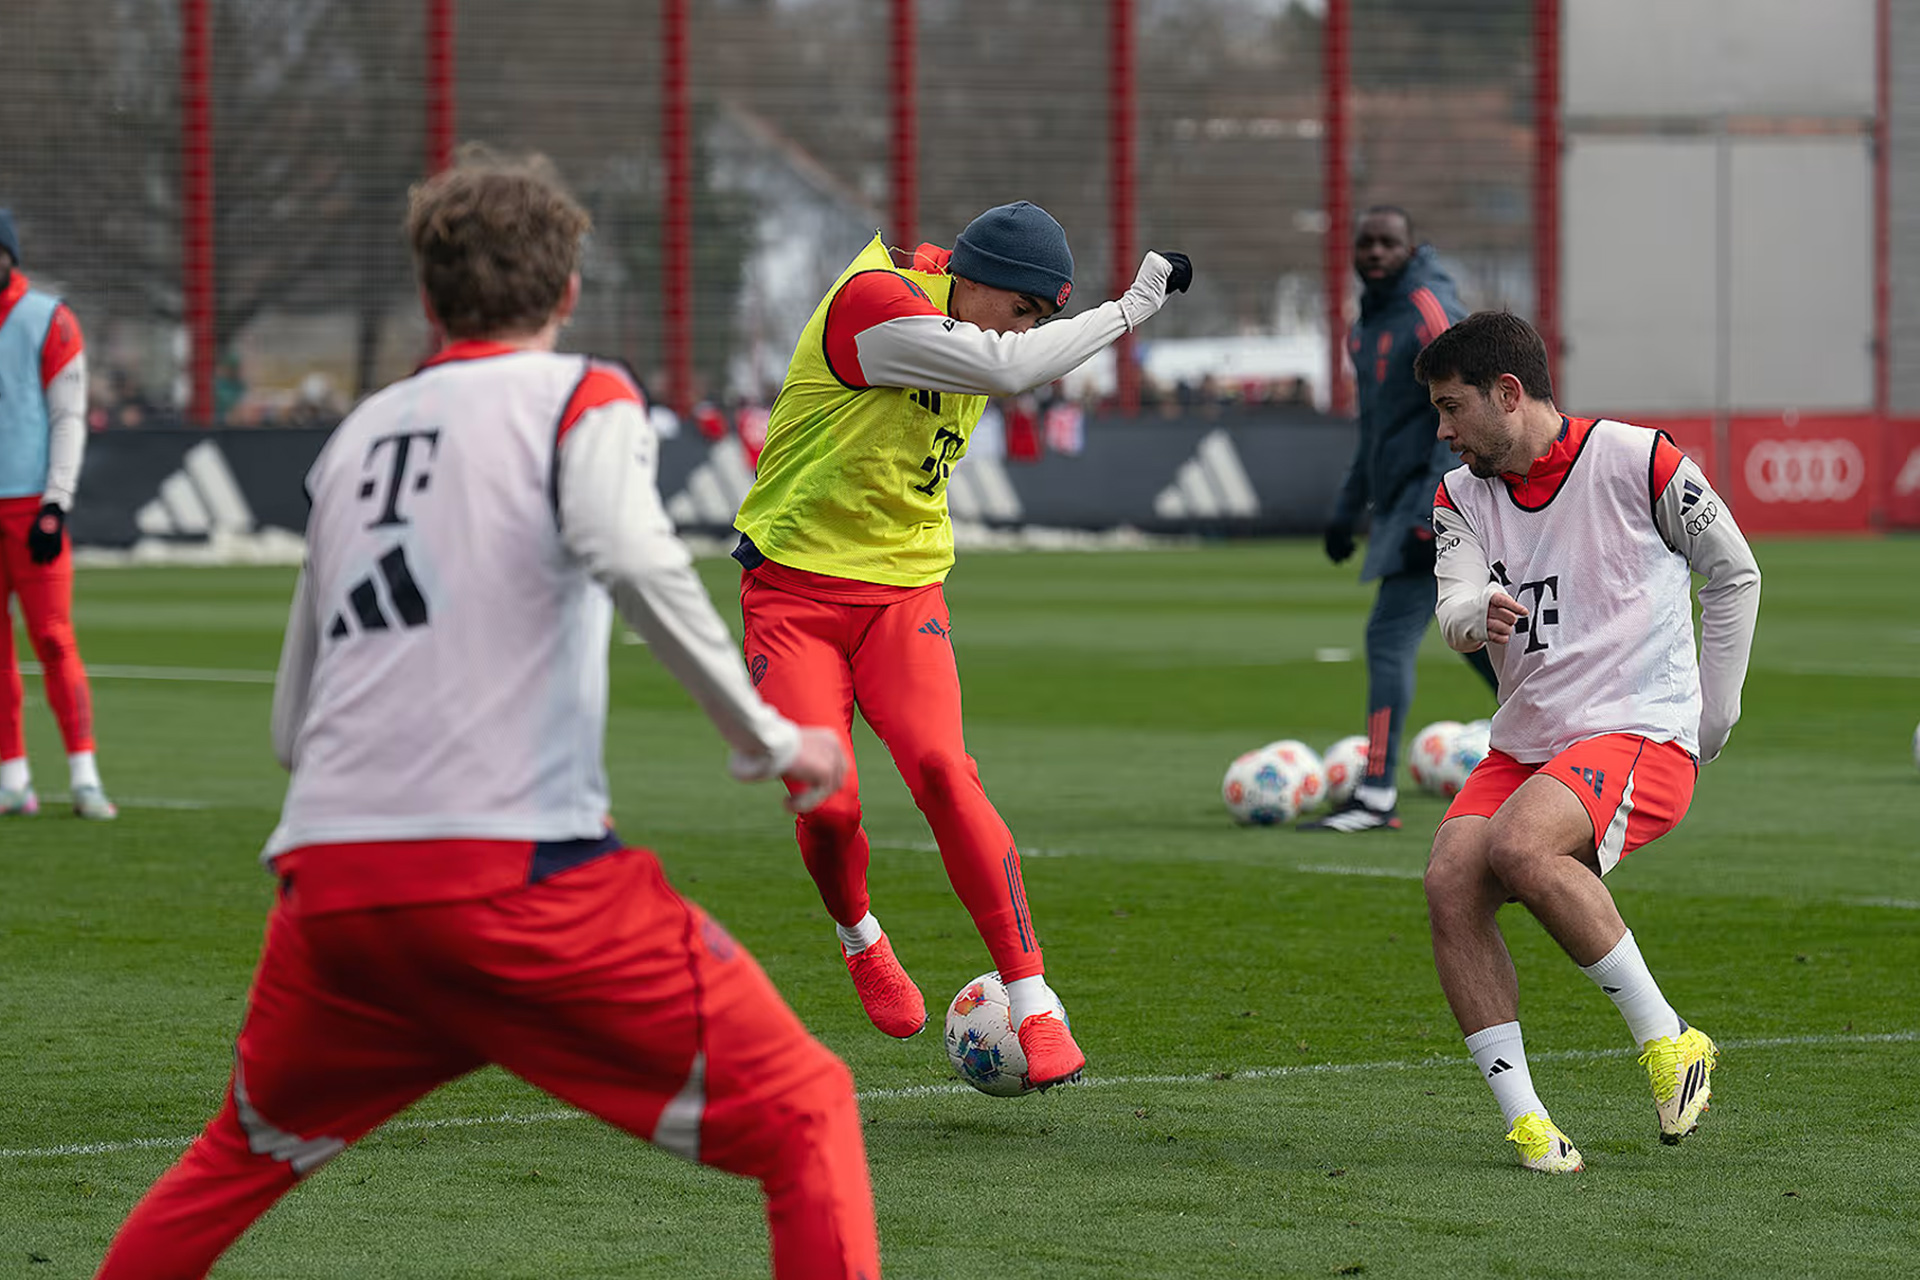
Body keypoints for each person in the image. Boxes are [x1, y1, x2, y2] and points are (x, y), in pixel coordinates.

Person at [95, 152, 881, 1279]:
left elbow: (291, 728)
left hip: (333, 901)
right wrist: (771, 737)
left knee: (234, 1161)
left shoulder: (355, 439)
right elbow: (628, 549)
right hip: (516, 885)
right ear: (567, 291)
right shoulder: (583, 395)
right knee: (808, 1105)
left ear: (427, 299)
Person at [731, 202, 1191, 1088]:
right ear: (975, 285)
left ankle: (1034, 998)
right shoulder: (874, 303)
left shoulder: (965, 306)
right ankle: (861, 939)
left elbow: (1006, 352)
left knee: (945, 770)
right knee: (826, 804)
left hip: (904, 592)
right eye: (1022, 311)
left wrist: (1061, 319)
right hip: (792, 593)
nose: (1025, 332)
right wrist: (1132, 306)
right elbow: (1005, 367)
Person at [1415, 311, 1761, 1173]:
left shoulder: (1640, 460)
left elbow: (1734, 571)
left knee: (1520, 845)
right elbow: (1454, 598)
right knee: (1451, 877)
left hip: (1638, 729)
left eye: (1453, 408)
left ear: (1509, 392)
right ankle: (1529, 1120)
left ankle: (1669, 1041)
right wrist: (1471, 614)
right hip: (1527, 743)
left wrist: (1712, 715)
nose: (1445, 430)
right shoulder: (1461, 494)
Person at [1304, 206, 1494, 834]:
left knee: (1389, 638)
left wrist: (1433, 509)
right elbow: (1376, 429)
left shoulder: (1427, 309)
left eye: (1389, 242)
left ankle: (1376, 796)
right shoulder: (1367, 325)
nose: (1376, 252)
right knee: (1479, 639)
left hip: (1439, 502)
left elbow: (1466, 407)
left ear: (1411, 247)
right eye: (1367, 243)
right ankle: (1562, 742)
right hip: (1407, 504)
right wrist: (1344, 506)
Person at [0, 206, 116, 820]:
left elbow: (68, 416)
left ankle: (83, 774)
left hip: (29, 506)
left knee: (51, 636)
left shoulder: (49, 319)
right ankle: (13, 778)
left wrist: (55, 504)